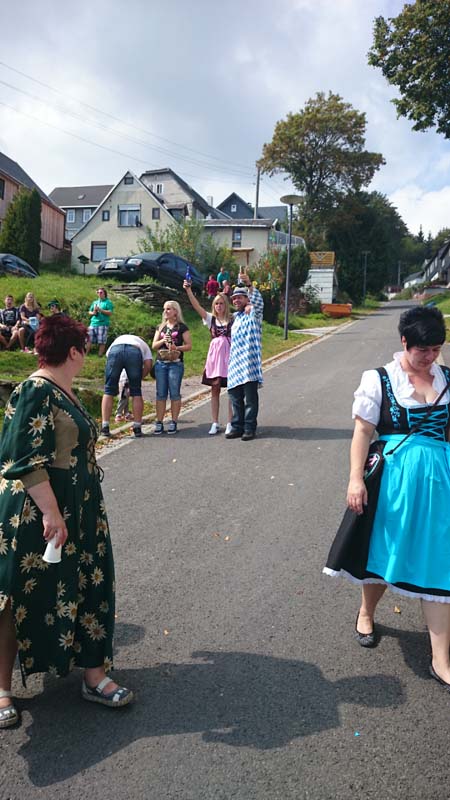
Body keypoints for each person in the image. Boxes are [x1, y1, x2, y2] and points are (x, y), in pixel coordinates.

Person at [0, 315, 133, 729]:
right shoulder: (36, 390)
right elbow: (23, 458)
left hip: (81, 509)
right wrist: (51, 512)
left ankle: (94, 675)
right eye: (84, 349)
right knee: (15, 598)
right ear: (73, 351)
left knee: (90, 583)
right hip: (38, 512)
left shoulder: (64, 390)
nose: (86, 355)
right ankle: (1, 689)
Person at [324, 305, 450, 691]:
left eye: (436, 349)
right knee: (386, 552)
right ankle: (366, 612)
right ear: (404, 342)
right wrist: (354, 480)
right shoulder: (379, 379)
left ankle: (441, 659)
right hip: (393, 483)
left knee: (440, 562)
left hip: (440, 484)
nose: (429, 357)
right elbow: (363, 432)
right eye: (422, 350)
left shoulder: (447, 379)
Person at [184, 282, 232, 435]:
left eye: (221, 303)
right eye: (216, 303)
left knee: (232, 390)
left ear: (226, 305)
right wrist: (188, 290)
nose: (219, 306)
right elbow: (196, 306)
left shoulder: (233, 319)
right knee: (215, 389)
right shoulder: (211, 319)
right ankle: (215, 422)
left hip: (229, 358)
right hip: (215, 359)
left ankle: (231, 422)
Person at [225, 272, 264, 441]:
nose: (236, 301)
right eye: (234, 299)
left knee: (250, 399)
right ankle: (237, 426)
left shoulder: (254, 313)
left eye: (239, 298)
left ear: (247, 299)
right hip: (235, 364)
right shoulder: (234, 318)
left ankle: (249, 428)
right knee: (235, 398)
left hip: (249, 364)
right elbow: (217, 313)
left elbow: (258, 302)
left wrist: (249, 284)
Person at [100, 334, 153, 438]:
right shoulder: (143, 345)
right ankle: (137, 427)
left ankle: (105, 426)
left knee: (108, 390)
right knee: (136, 392)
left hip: (115, 350)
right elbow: (148, 364)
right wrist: (139, 378)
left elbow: (108, 358)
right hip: (134, 352)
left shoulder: (117, 340)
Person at [151, 301, 192, 435]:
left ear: (175, 311)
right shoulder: (161, 327)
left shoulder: (182, 327)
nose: (166, 311)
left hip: (175, 363)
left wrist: (176, 347)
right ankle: (159, 421)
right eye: (165, 309)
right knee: (160, 394)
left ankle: (174, 421)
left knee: (174, 393)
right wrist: (164, 340)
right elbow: (154, 345)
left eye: (168, 309)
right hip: (161, 363)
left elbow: (189, 345)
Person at [86, 288, 114, 357]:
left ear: (104, 293)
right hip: (93, 323)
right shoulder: (95, 302)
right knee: (88, 339)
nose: (99, 294)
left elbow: (110, 312)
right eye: (98, 292)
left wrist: (100, 310)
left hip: (103, 324)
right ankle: (86, 354)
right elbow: (89, 311)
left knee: (102, 341)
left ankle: (100, 355)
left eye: (101, 292)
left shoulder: (108, 302)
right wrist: (93, 313)